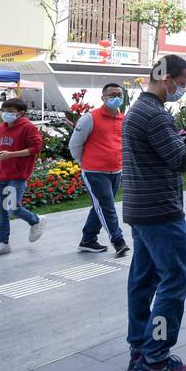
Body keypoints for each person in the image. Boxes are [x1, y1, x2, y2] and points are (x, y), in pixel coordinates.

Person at [122, 55, 186, 371]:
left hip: (140, 209)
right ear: (167, 79)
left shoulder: (139, 110)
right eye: (184, 80)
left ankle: (139, 348)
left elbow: (165, 152)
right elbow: (180, 162)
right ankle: (156, 356)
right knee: (175, 280)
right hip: (161, 211)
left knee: (144, 280)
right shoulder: (155, 115)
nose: (184, 86)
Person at [69, 82, 129, 256]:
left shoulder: (123, 119)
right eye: (111, 95)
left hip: (116, 170)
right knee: (107, 206)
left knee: (101, 206)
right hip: (94, 171)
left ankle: (88, 239)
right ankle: (118, 241)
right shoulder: (90, 118)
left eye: (119, 94)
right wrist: (84, 161)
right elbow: (75, 143)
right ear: (103, 98)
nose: (116, 98)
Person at [0, 97, 44, 258]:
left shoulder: (28, 127)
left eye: (10, 111)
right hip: (0, 173)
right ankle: (3, 243)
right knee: (0, 210)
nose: (6, 114)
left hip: (18, 174)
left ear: (21, 113)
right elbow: (3, 148)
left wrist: (11, 155)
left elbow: (36, 148)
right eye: (4, 110)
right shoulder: (0, 128)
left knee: (12, 207)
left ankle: (35, 220)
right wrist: (0, 156)